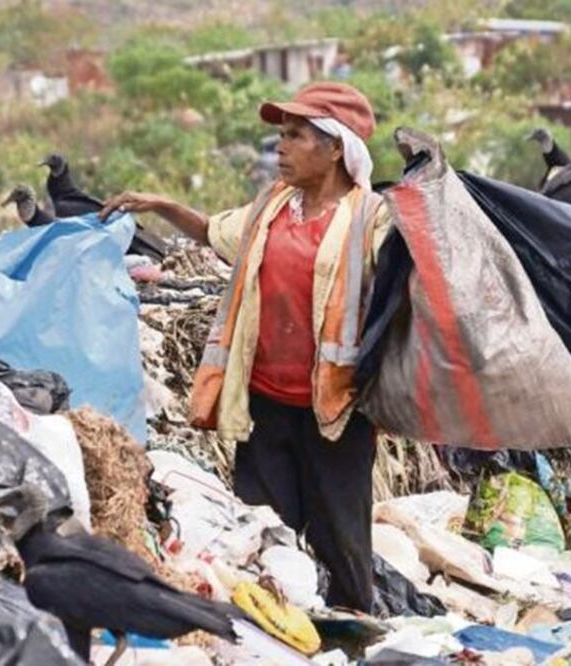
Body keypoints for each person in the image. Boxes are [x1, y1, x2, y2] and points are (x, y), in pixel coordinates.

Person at [100, 82, 390, 612]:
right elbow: (214, 232)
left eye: (296, 135)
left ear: (335, 149)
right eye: (282, 134)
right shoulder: (272, 207)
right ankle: (272, 634)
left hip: (335, 411)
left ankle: (352, 632)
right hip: (265, 404)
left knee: (341, 536)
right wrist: (162, 205)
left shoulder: (371, 219)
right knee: (262, 532)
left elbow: (409, 285)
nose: (281, 146)